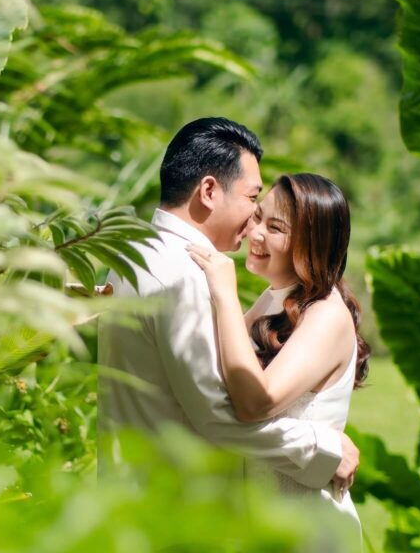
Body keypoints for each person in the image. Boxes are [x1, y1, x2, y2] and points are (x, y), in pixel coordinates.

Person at [97, 116, 360, 495]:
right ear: (208, 190)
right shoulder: (187, 277)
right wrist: (325, 449)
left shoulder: (133, 253)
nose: (253, 226)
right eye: (253, 201)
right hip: (173, 504)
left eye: (273, 225)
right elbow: (219, 415)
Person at [187, 172, 370, 553]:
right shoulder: (274, 300)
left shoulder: (326, 315)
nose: (255, 233)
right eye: (258, 218)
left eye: (275, 227)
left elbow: (257, 400)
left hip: (303, 535)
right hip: (263, 526)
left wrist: (224, 294)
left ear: (312, 243)